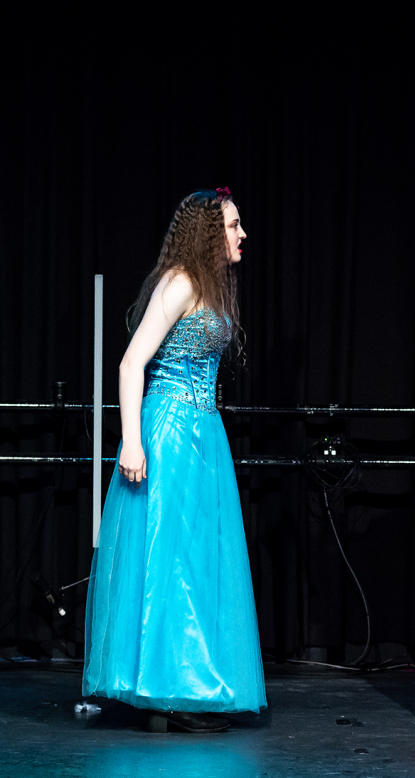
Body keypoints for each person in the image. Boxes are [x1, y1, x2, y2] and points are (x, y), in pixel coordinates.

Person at [82, 189, 267, 733]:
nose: (242, 234)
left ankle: (181, 683)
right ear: (210, 231)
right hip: (168, 429)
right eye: (234, 225)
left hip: (203, 434)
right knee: (169, 559)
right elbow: (131, 361)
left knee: (194, 558)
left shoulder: (209, 287)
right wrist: (132, 440)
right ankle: (169, 689)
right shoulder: (181, 281)